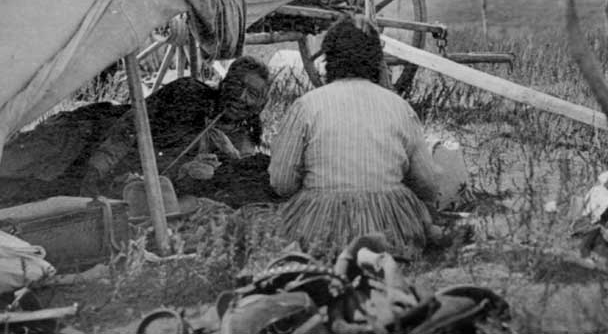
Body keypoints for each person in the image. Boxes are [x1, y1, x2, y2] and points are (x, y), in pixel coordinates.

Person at [269, 17, 441, 258]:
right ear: (375, 61)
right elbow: (427, 184)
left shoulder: (306, 106)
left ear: (329, 59)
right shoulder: (399, 107)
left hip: (320, 228)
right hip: (390, 229)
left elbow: (282, 182)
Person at [80, 55, 271, 198]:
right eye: (237, 85)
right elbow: (131, 126)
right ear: (224, 83)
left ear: (260, 106)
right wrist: (98, 168)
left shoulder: (243, 142)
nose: (240, 97)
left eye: (252, 94)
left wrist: (230, 160)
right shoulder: (186, 93)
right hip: (120, 176)